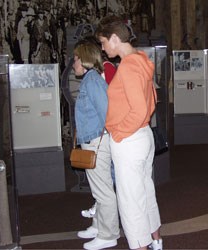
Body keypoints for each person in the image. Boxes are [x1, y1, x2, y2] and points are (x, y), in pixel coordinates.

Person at [96, 15, 163, 250]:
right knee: (144, 192)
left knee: (130, 202)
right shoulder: (141, 60)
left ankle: (142, 246)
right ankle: (155, 241)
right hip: (142, 135)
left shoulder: (128, 66)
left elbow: (141, 108)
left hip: (130, 140)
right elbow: (153, 100)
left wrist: (119, 132)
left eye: (104, 42)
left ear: (115, 38)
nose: (103, 48)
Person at [72, 39, 120, 250]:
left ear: (84, 60)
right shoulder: (91, 79)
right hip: (93, 141)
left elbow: (106, 112)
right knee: (99, 189)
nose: (73, 63)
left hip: (96, 143)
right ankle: (98, 226)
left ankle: (109, 234)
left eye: (75, 58)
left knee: (103, 191)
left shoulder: (92, 81)